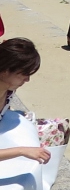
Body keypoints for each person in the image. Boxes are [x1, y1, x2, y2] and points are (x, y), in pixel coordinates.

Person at [0, 38, 52, 166]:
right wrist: (21, 151)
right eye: (24, 73)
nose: (27, 79)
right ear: (5, 71)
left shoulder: (9, 89)